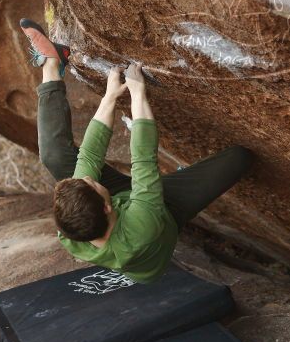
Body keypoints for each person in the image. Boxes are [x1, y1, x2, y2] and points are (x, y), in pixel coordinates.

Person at [19, 18, 254, 283]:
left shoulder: (72, 228)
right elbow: (143, 159)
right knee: (239, 158)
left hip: (126, 202)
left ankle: (52, 63)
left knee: (54, 156)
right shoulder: (141, 226)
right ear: (107, 208)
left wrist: (109, 97)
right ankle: (168, 184)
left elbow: (89, 156)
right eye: (91, 184)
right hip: (164, 212)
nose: (88, 178)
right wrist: (137, 92)